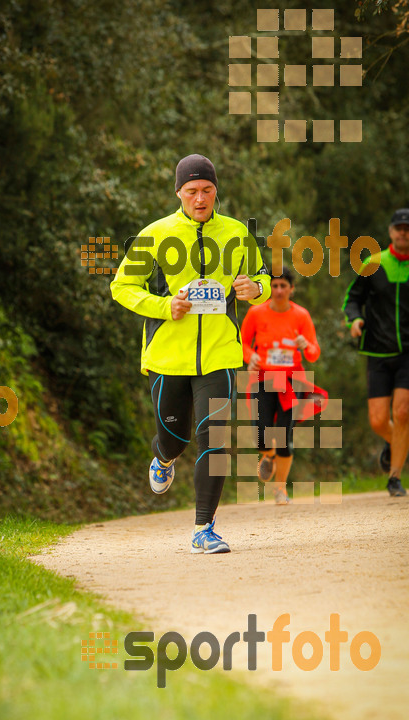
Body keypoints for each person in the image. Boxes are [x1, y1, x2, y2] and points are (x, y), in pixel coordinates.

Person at [111, 153, 271, 554]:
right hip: (168, 357)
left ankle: (204, 528)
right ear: (178, 192)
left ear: (216, 192)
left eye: (207, 190)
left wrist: (257, 289)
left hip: (219, 354)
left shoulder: (236, 233)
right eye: (192, 191)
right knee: (175, 437)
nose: (200, 198)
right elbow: (122, 287)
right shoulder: (156, 234)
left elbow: (263, 277)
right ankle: (163, 457)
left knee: (214, 438)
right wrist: (166, 307)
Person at [343, 208, 409, 497]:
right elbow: (352, 298)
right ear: (391, 231)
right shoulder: (373, 263)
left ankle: (395, 476)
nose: (403, 232)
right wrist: (354, 319)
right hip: (378, 352)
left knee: (402, 412)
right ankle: (396, 444)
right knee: (378, 420)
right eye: (399, 227)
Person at [240, 267, 327, 504]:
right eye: (274, 285)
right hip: (263, 378)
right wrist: (251, 357)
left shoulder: (301, 316)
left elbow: (314, 353)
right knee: (260, 433)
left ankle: (280, 489)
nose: (278, 290)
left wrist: (304, 344)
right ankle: (268, 455)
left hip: (291, 380)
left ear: (291, 289)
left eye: (283, 286)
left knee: (284, 434)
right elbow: (243, 342)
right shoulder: (256, 313)